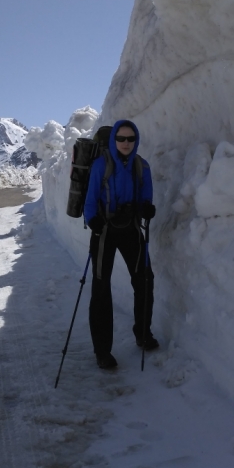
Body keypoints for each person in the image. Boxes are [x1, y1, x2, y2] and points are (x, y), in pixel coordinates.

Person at [84, 120, 158, 370]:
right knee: (101, 288)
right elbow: (90, 198)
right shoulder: (100, 165)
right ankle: (102, 351)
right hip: (103, 231)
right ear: (114, 139)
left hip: (130, 229)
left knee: (144, 280)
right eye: (121, 138)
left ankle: (143, 333)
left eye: (130, 139)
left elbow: (146, 195)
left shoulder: (142, 166)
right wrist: (92, 219)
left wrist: (146, 208)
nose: (126, 143)